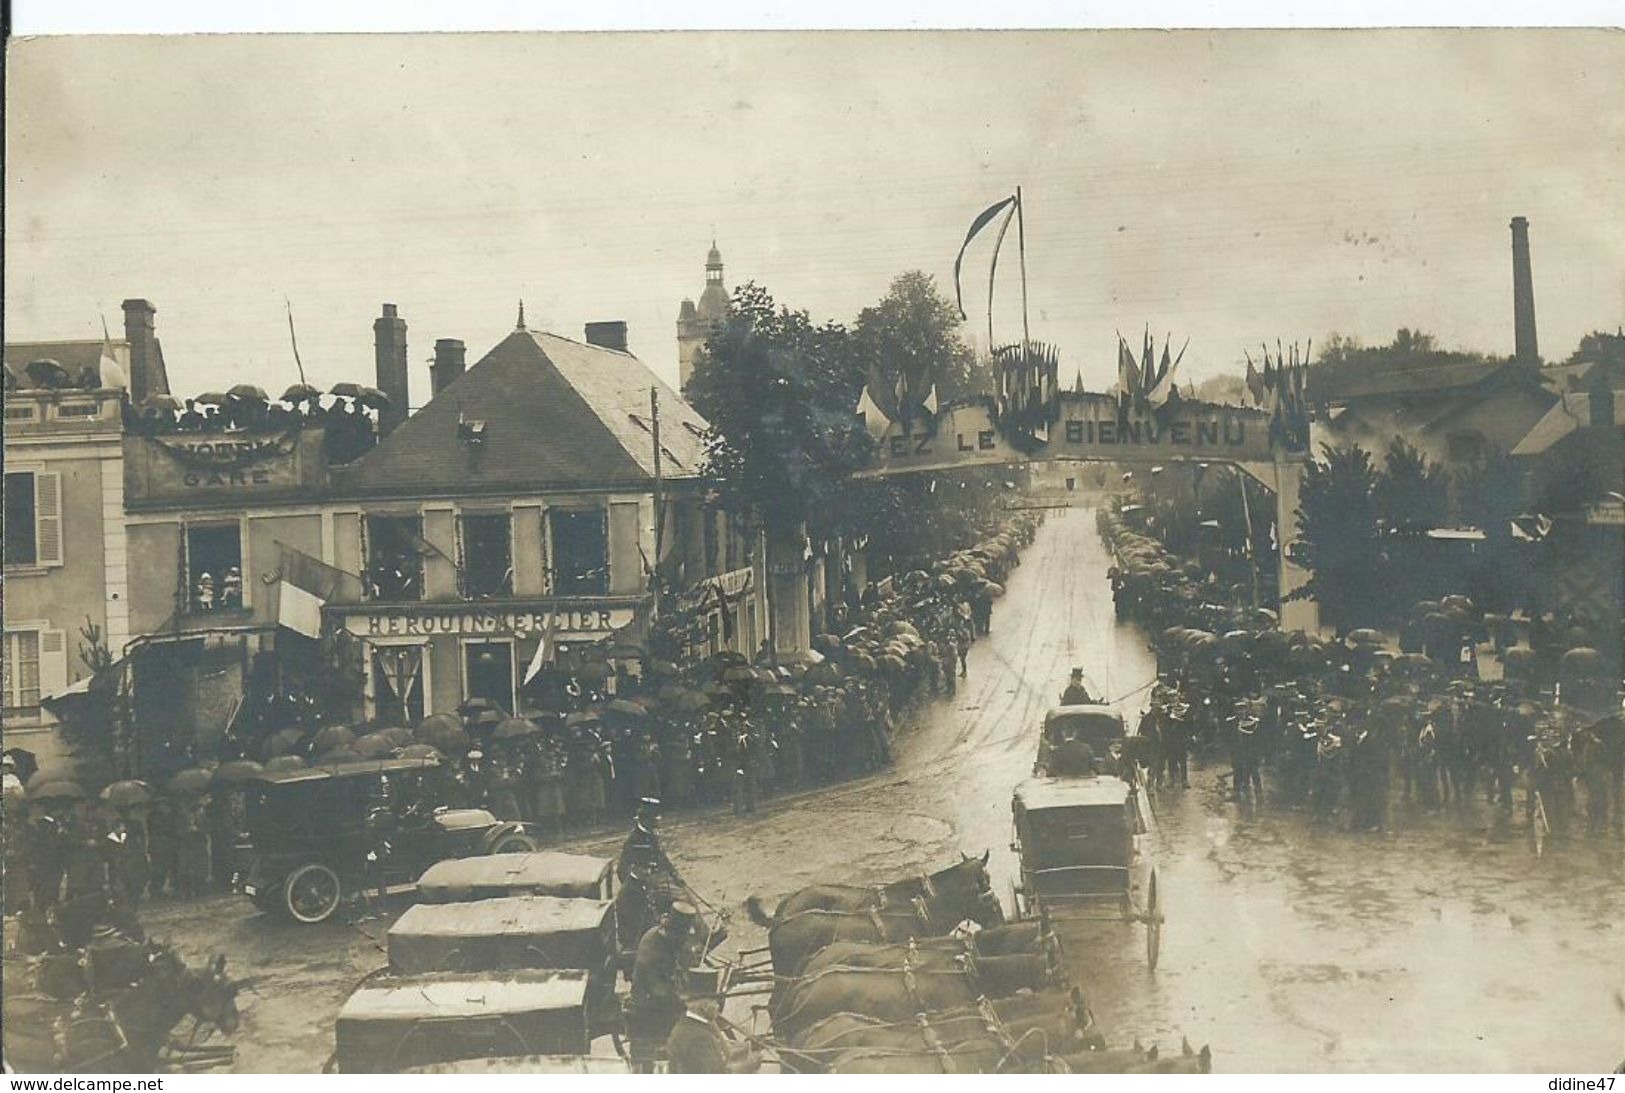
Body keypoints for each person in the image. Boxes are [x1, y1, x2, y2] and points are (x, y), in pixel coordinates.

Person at [627, 902, 697, 1072]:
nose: (683, 940)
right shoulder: (653, 949)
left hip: (657, 1000)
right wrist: (685, 1000)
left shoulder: (660, 937)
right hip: (648, 1009)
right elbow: (659, 990)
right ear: (673, 932)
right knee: (693, 1026)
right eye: (682, 936)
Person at [665, 993, 760, 1074]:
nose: (718, 1007)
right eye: (715, 1003)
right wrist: (750, 1064)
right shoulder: (700, 1037)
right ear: (704, 1006)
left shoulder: (685, 1025)